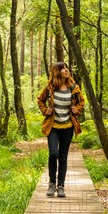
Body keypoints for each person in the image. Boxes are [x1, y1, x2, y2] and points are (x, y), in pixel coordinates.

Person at [37, 62, 85, 198]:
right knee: (53, 154)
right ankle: (51, 184)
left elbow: (82, 101)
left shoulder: (73, 88)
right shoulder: (50, 88)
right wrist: (45, 110)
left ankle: (61, 186)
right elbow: (40, 100)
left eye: (66, 68)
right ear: (57, 72)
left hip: (68, 127)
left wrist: (77, 109)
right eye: (63, 68)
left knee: (63, 157)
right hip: (53, 127)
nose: (66, 70)